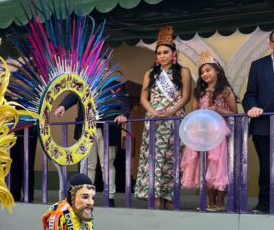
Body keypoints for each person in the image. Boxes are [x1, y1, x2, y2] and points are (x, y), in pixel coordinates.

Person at [133, 26, 192, 210]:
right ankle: (155, 198)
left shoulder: (184, 72)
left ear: (174, 53)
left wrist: (172, 111)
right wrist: (153, 112)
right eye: (159, 53)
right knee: (154, 160)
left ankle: (170, 198)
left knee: (172, 160)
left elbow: (186, 97)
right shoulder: (150, 73)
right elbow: (143, 97)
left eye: (166, 52)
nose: (162, 56)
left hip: (174, 120)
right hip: (154, 121)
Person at [55, 80, 130, 207]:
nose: (103, 68)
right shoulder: (86, 81)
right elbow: (74, 95)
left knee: (107, 164)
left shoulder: (116, 84)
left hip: (107, 128)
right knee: (88, 165)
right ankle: (85, 196)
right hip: (87, 130)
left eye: (105, 66)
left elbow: (124, 102)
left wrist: (124, 114)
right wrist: (63, 106)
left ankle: (109, 197)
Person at [180, 53, 237, 211]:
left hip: (219, 134)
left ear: (217, 70)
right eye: (202, 72)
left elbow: (235, 112)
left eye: (208, 70)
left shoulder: (225, 91)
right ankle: (209, 202)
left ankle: (220, 203)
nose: (204, 74)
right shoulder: (200, 92)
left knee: (218, 166)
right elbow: (193, 113)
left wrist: (218, 109)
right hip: (202, 134)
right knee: (204, 166)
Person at [242, 30, 274, 214]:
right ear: (271, 44)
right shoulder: (258, 65)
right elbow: (250, 95)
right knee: (267, 167)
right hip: (264, 126)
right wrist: (252, 107)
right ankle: (265, 204)